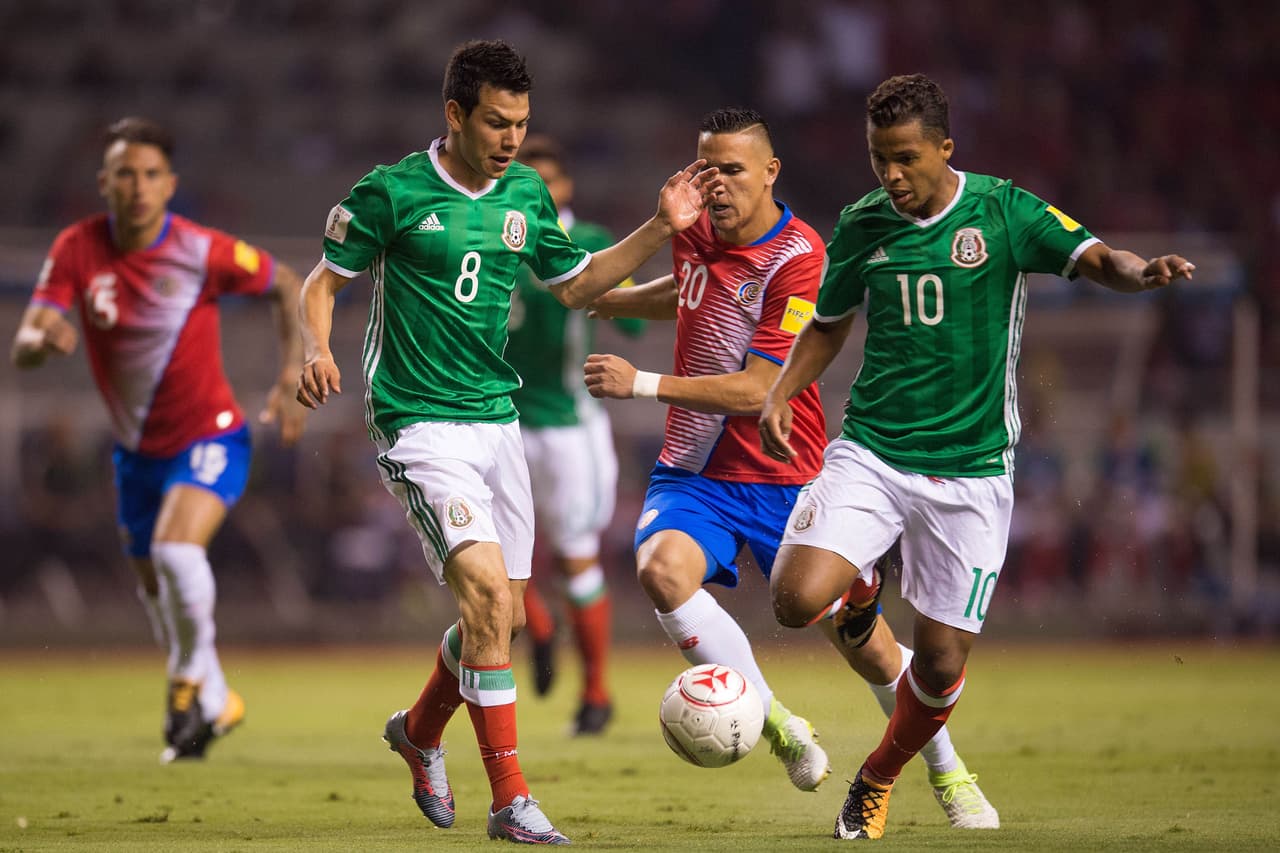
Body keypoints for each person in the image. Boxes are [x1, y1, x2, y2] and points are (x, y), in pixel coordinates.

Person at [294, 40, 720, 846]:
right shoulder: (391, 192)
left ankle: (419, 731)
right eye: (496, 122)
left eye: (521, 123)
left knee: (504, 617)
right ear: (454, 114)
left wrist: (662, 227)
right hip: (418, 421)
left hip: (497, 422)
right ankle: (511, 802)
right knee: (490, 597)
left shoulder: (525, 191)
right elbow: (323, 281)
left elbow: (582, 285)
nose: (512, 139)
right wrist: (315, 348)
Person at [758, 74, 1196, 840]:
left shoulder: (1002, 210)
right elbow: (828, 324)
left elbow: (1094, 256)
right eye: (877, 159)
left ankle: (877, 776)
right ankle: (861, 585)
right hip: (874, 450)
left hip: (971, 470)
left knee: (937, 665)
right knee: (795, 598)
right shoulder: (863, 223)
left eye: (904, 158)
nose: (890, 175)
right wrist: (778, 393)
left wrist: (1140, 272)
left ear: (944, 148)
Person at [585, 106, 997, 826]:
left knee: (864, 645)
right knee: (659, 570)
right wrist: (617, 298)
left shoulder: (800, 256)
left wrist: (641, 382)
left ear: (771, 171)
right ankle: (776, 724)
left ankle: (947, 768)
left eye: (733, 171)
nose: (716, 186)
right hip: (694, 472)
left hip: (788, 479)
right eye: (706, 169)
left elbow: (757, 387)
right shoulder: (695, 231)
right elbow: (694, 293)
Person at [10, 116, 308, 763]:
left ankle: (184, 686)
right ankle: (217, 695)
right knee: (156, 587)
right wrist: (44, 340)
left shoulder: (200, 249)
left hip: (212, 435)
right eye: (125, 173)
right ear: (104, 182)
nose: (138, 186)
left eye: (150, 174)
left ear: (169, 184)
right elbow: (26, 340)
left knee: (176, 554)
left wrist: (290, 372)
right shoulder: (77, 248)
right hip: (134, 454)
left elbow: (285, 282)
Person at [504, 134, 646, 736]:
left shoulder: (585, 245)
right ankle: (538, 627)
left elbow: (634, 317)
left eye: (548, 181)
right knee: (490, 555)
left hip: (567, 426)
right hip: (499, 419)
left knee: (575, 560)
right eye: (525, 178)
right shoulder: (490, 232)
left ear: (564, 189)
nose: (537, 190)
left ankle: (595, 697)